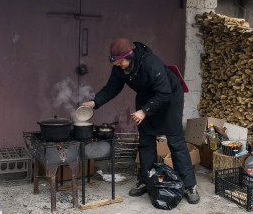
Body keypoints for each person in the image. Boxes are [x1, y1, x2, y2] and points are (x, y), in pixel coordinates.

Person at [82, 38, 199, 204]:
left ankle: (190, 185)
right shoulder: (120, 68)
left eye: (120, 62)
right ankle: (146, 180)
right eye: (115, 62)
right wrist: (95, 102)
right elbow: (112, 88)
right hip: (146, 97)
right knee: (146, 141)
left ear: (130, 57)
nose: (117, 65)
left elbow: (164, 93)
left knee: (175, 141)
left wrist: (144, 111)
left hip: (169, 96)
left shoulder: (151, 64)